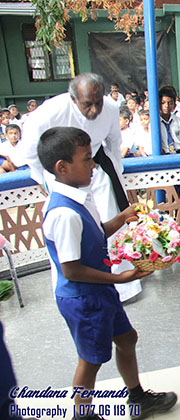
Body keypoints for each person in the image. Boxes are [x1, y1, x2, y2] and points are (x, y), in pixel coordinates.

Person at [38, 126, 178, 420]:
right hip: (83, 297)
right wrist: (119, 278)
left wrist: (122, 217)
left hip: (99, 291)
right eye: (87, 159)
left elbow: (96, 235)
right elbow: (71, 269)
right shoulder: (64, 214)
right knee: (90, 360)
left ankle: (138, 397)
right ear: (62, 167)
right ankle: (83, 415)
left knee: (127, 339)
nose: (93, 165)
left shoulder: (79, 196)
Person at [13, 72, 142, 302]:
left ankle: (123, 288)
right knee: (70, 236)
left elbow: (114, 142)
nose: (94, 111)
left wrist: (113, 172)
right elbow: (29, 153)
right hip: (62, 177)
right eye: (87, 105)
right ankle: (72, 291)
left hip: (96, 169)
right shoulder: (49, 112)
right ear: (73, 99)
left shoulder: (111, 108)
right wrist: (44, 178)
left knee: (110, 225)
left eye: (98, 103)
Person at [158, 85, 180, 154]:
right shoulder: (156, 123)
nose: (166, 106)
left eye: (170, 103)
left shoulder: (177, 120)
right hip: (165, 153)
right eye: (163, 103)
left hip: (179, 151)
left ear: (174, 104)